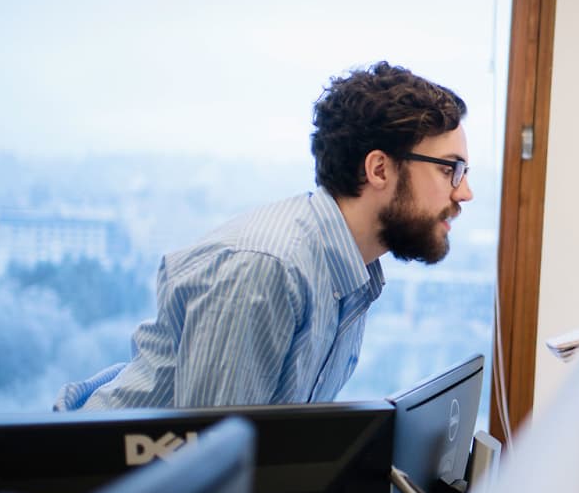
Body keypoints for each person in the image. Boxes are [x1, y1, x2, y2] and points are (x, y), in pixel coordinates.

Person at [55, 61, 474, 411]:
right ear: (379, 169)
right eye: (449, 169)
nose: (465, 192)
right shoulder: (269, 267)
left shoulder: (351, 272)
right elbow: (214, 474)